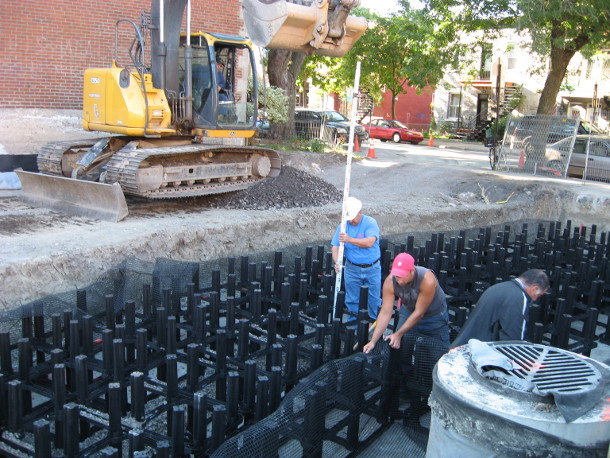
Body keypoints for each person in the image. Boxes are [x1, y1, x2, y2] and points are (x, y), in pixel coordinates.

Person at [363, 253, 450, 353]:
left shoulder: (427, 280)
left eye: (402, 276)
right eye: (396, 276)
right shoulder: (390, 282)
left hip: (434, 316)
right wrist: (373, 341)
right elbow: (385, 312)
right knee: (400, 348)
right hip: (408, 310)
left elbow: (419, 313)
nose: (399, 280)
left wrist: (398, 334)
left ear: (412, 271)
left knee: (438, 352)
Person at [452, 269, 549, 347]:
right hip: (478, 353)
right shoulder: (519, 297)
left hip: (465, 345)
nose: (536, 299)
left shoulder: (501, 287)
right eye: (539, 295)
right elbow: (513, 339)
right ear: (535, 288)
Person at [331, 197, 382, 321]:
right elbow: (335, 247)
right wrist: (337, 261)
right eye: (349, 218)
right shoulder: (343, 226)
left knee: (374, 300)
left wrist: (349, 239)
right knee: (352, 300)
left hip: (372, 269)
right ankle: (352, 329)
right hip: (352, 269)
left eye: (353, 217)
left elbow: (370, 242)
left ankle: (374, 329)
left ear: (360, 212)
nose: (351, 220)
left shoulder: (370, 223)